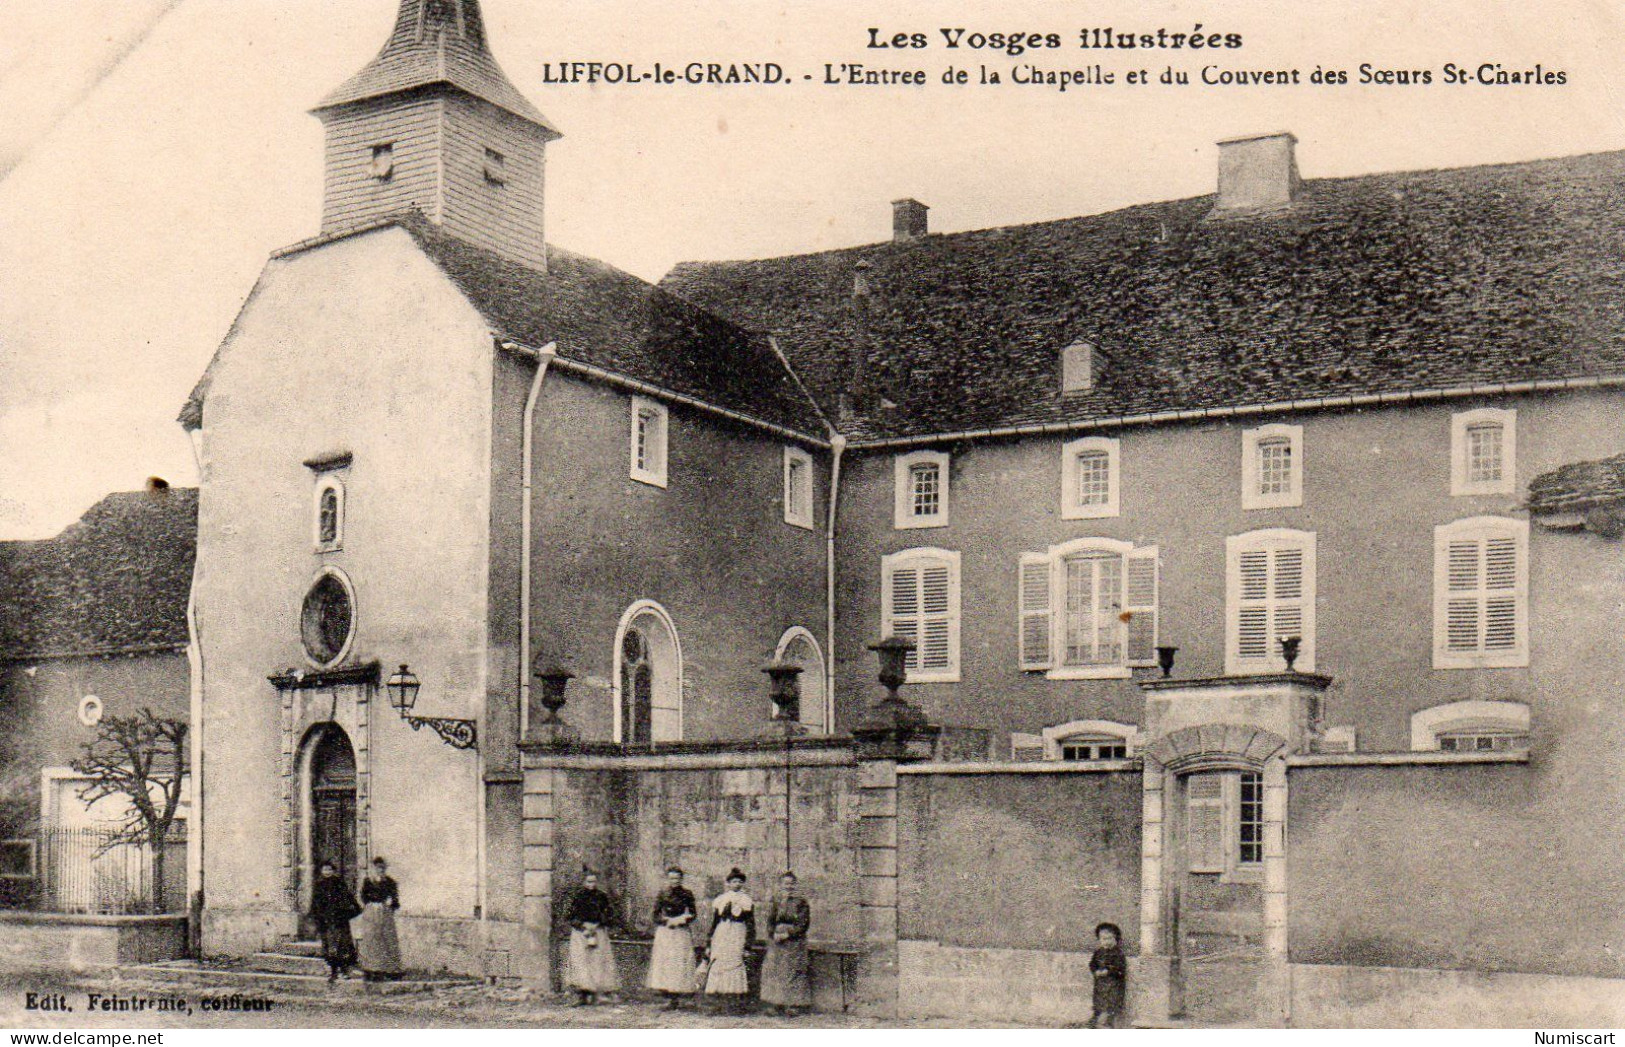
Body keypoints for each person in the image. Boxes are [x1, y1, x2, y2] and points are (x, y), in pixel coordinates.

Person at [759, 871, 812, 1015]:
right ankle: (776, 1004)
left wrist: (788, 933)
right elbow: (770, 919)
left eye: (791, 883)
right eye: (785, 883)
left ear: (795, 884)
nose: (789, 886)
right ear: (781, 885)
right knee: (775, 970)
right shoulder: (776, 899)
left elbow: (804, 923)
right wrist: (773, 933)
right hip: (777, 941)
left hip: (794, 941)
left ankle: (793, 1005)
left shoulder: (801, 901)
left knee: (792, 970)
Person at [703, 867, 755, 1011]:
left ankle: (734, 1004)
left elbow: (751, 925)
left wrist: (748, 946)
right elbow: (714, 923)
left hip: (738, 934)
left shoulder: (746, 901)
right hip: (722, 934)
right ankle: (716, 1003)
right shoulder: (721, 900)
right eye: (733, 881)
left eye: (739, 881)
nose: (736, 884)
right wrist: (709, 942)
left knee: (735, 964)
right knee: (719, 963)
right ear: (729, 883)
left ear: (742, 884)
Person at [565, 871, 622, 1005]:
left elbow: (609, 914)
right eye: (589, 881)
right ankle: (582, 995)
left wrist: (597, 923)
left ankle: (596, 994)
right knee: (581, 962)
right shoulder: (577, 896)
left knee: (597, 960)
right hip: (581, 934)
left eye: (594, 881)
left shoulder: (602, 896)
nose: (592, 884)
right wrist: (582, 924)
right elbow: (569, 915)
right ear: (584, 882)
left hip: (598, 932)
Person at [647, 866, 698, 1009]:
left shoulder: (687, 894)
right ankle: (668, 996)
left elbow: (693, 913)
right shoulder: (663, 893)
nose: (674, 880)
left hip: (680, 932)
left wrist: (683, 919)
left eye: (677, 878)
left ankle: (676, 997)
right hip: (666, 931)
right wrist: (667, 921)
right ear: (668, 879)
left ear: (681, 879)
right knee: (666, 962)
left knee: (678, 962)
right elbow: (655, 914)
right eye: (671, 878)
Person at [308, 861, 361, 983]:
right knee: (330, 947)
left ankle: (344, 970)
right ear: (322, 871)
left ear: (333, 871)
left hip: (339, 919)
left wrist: (354, 909)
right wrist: (317, 918)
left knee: (343, 946)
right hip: (326, 921)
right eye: (325, 870)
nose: (327, 872)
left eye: (329, 869)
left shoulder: (339, 883)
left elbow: (348, 897)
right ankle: (333, 972)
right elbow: (315, 903)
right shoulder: (319, 885)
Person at [356, 856, 403, 981]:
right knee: (371, 938)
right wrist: (369, 906)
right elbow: (363, 896)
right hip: (371, 912)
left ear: (385, 869)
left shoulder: (390, 882)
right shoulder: (368, 881)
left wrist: (389, 907)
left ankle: (388, 969)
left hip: (384, 912)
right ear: (373, 868)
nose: (380, 870)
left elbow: (395, 899)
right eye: (377, 868)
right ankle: (370, 969)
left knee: (386, 939)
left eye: (382, 868)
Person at [1089, 921, 1128, 1028]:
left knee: (1109, 1009)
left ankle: (1107, 1023)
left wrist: (1109, 971)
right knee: (1098, 1006)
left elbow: (1120, 968)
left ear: (1116, 939)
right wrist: (1095, 971)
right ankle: (1097, 1020)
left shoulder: (1118, 953)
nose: (1107, 942)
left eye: (1110, 938)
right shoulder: (1098, 952)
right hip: (1100, 986)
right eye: (1104, 939)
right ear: (1099, 940)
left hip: (1113, 987)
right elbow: (1092, 964)